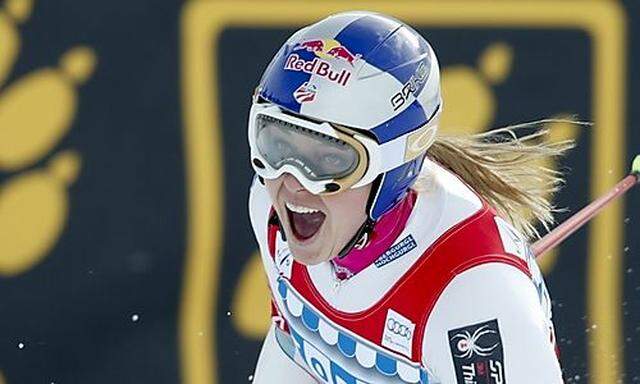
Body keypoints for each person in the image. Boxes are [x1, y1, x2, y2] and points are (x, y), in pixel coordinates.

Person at [247, 11, 568, 384]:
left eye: (332, 158)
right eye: (277, 143)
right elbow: (295, 348)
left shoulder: (475, 297)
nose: (294, 182)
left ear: (392, 167)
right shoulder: (269, 208)